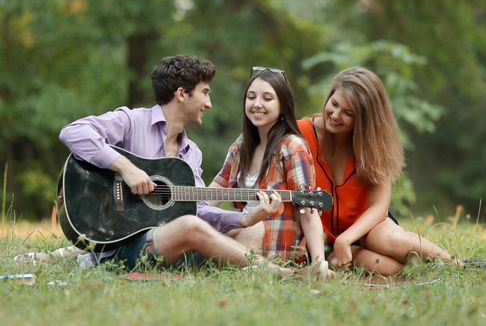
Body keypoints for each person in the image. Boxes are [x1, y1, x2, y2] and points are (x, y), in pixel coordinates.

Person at [18, 55, 295, 275]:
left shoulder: (191, 153)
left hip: (161, 240)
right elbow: (73, 132)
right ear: (182, 94)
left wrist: (245, 218)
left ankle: (85, 259)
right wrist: (125, 167)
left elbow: (197, 210)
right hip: (121, 239)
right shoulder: (132, 122)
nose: (209, 104)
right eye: (205, 93)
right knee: (188, 227)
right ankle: (274, 272)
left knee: (253, 230)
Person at [297, 67, 454, 275]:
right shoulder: (300, 134)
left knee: (390, 239)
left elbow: (380, 207)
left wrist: (346, 238)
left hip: (367, 229)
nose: (335, 115)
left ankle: (456, 265)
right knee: (386, 268)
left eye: (348, 113)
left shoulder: (372, 145)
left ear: (364, 120)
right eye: (334, 104)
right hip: (320, 240)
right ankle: (420, 272)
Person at [208, 67, 331, 278]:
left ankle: (274, 271)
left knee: (250, 230)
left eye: (267, 98)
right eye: (251, 97)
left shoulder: (292, 147)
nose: (257, 104)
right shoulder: (241, 145)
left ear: (282, 106)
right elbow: (216, 189)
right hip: (243, 226)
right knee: (203, 231)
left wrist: (319, 262)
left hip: (274, 239)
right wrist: (189, 213)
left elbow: (309, 211)